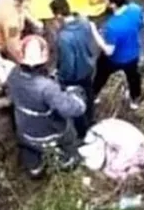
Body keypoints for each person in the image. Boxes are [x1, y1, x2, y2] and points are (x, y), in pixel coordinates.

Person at [6, 35, 86, 178]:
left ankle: (34, 169)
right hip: (50, 133)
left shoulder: (13, 75)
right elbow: (70, 109)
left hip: (26, 132)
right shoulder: (47, 88)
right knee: (69, 137)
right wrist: (76, 96)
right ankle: (67, 161)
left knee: (29, 148)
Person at [50, 0, 99, 138]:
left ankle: (82, 132)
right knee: (88, 94)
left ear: (59, 15)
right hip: (88, 67)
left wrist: (61, 77)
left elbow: (68, 63)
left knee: (76, 103)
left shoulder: (64, 37)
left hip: (74, 77)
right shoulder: (84, 22)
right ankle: (91, 118)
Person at [92, 0, 144, 110]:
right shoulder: (135, 8)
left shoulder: (113, 26)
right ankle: (134, 101)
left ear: (113, 4)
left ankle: (94, 95)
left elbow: (109, 51)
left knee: (100, 75)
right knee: (134, 78)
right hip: (133, 55)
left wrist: (94, 32)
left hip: (115, 59)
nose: (104, 1)